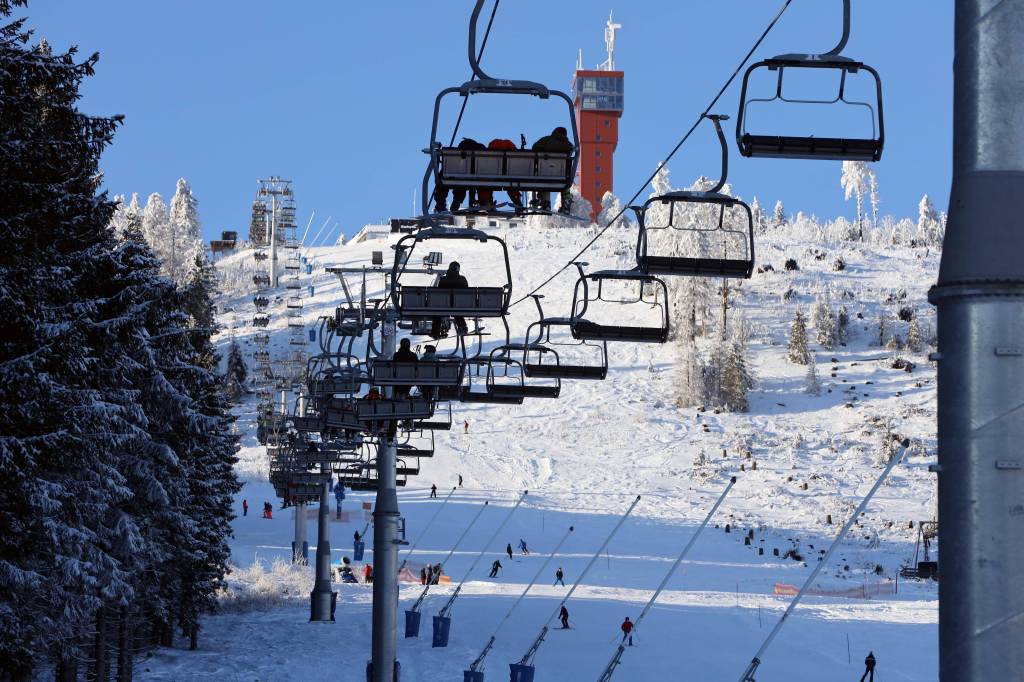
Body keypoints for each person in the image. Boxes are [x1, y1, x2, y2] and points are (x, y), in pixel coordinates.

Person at [434, 137, 486, 212]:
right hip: (470, 179)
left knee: (444, 179)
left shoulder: (453, 161)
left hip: (454, 176)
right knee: (463, 182)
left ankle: (440, 202)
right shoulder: (480, 156)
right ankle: (457, 201)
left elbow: (442, 177)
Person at [530, 126, 574, 214]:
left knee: (546, 178)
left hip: (545, 175)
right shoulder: (568, 144)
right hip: (562, 176)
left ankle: (546, 203)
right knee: (566, 183)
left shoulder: (545, 140)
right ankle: (566, 202)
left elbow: (534, 148)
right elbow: (571, 150)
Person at [431, 262, 470, 338]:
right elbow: (467, 293)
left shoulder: (443, 279)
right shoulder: (462, 279)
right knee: (457, 310)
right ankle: (462, 327)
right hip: (460, 305)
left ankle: (435, 331)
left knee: (437, 312)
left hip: (444, 305)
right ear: (458, 269)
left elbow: (439, 293)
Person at [487, 137, 524, 209]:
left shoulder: (486, 157)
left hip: (493, 174)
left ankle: (486, 201)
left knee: (485, 183)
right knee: (512, 183)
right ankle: (516, 200)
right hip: (510, 175)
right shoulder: (513, 156)